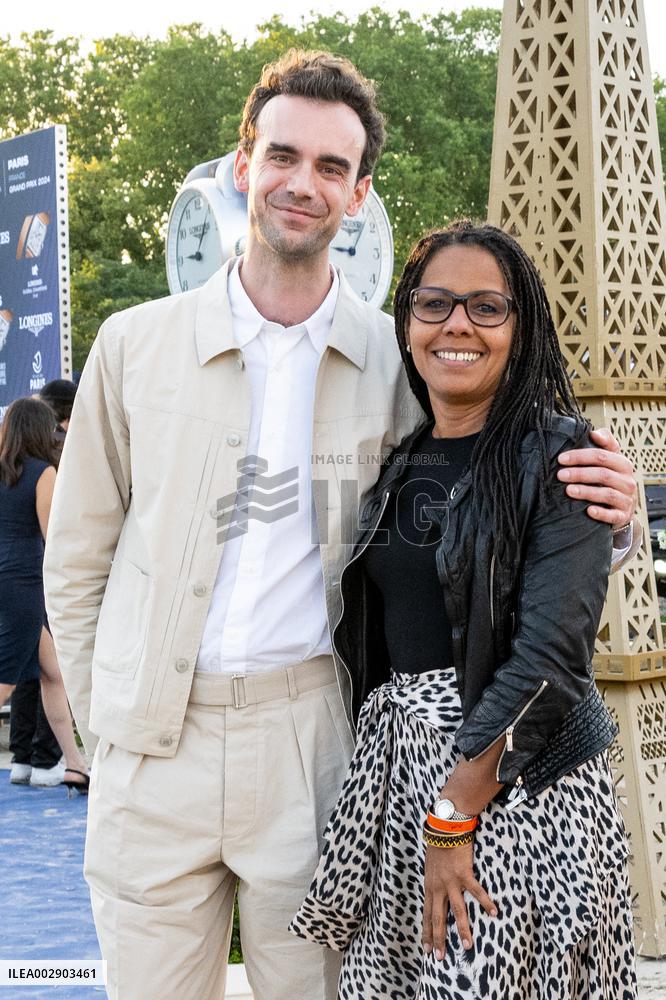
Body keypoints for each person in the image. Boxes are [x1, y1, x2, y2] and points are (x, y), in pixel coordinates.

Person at [44, 51, 637, 1000]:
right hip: (153, 747)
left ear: (360, 194)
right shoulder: (134, 346)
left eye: (332, 168)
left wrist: (611, 513)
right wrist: (108, 724)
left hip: (318, 743)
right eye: (284, 156)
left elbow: (487, 480)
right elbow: (77, 560)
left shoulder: (399, 355)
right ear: (245, 166)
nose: (302, 184)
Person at [290, 221, 637, 999]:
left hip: (516, 787)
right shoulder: (406, 458)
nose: (457, 325)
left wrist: (454, 815)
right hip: (412, 780)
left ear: (523, 328)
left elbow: (549, 660)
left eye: (487, 307)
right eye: (436, 303)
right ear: (407, 321)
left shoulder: (560, 455)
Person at [0, 398, 89, 794]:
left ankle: (74, 763)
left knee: (53, 674)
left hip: (9, 581)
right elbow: (53, 539)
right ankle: (72, 762)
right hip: (26, 584)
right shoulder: (44, 473)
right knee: (6, 681)